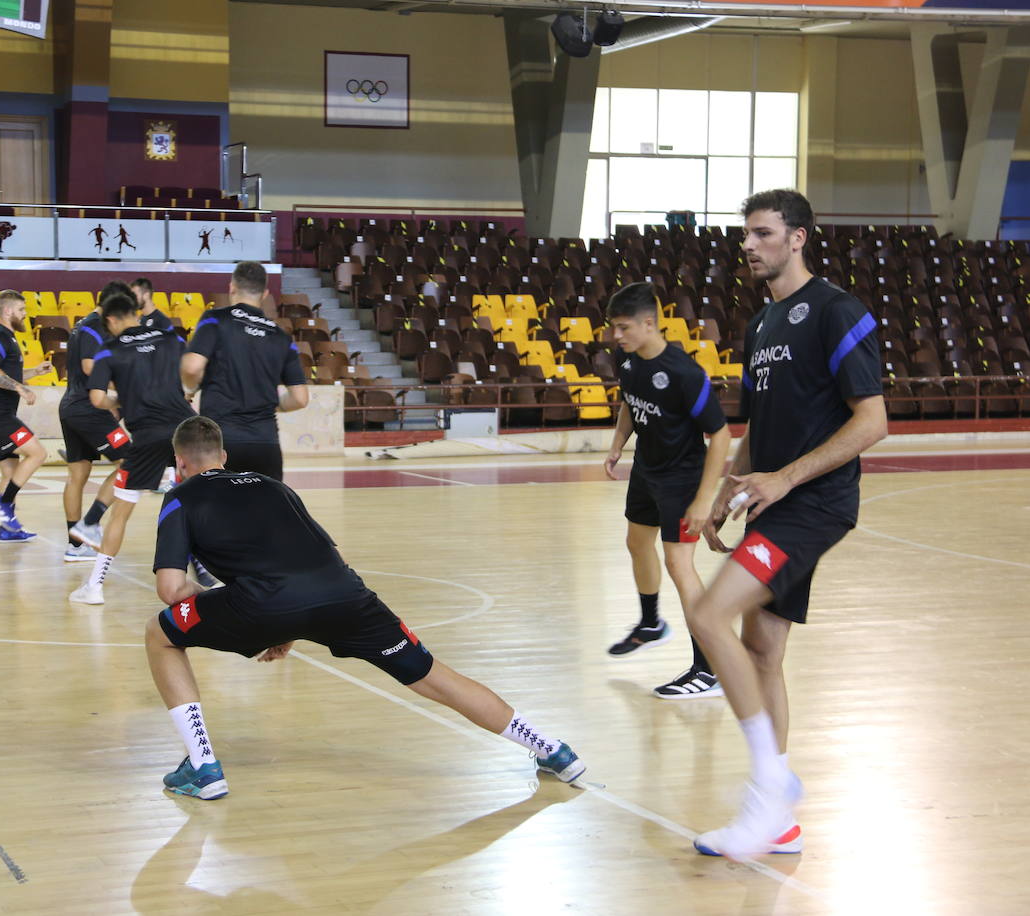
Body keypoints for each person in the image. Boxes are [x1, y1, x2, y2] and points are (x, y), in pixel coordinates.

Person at [143, 416, 587, 800]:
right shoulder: (275, 487)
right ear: (224, 454)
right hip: (346, 595)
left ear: (180, 463)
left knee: (160, 634)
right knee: (435, 677)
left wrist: (216, 602)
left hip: (264, 603)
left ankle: (202, 767)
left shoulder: (181, 496)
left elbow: (169, 588)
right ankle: (552, 749)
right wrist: (289, 624)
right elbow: (330, 559)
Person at [689, 190, 886, 860]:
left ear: (798, 238)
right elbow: (757, 429)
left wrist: (784, 480)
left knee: (709, 616)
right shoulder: (761, 325)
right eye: (745, 235)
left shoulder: (836, 311)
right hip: (771, 502)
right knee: (763, 651)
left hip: (813, 505)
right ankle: (779, 823)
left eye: (762, 233)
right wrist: (728, 489)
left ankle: (770, 786)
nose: (749, 245)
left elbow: (873, 421)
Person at [603, 282, 732, 699]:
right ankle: (650, 623)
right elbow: (629, 401)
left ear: (649, 323)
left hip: (682, 479)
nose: (616, 336)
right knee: (637, 541)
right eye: (613, 328)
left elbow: (721, 435)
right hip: (647, 469)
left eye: (623, 328)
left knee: (680, 566)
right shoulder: (627, 361)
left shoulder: (684, 373)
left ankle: (708, 669)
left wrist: (703, 500)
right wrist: (618, 443)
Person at [69, 291, 195, 604]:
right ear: (136, 314)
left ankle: (94, 583)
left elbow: (98, 399)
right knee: (200, 505)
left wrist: (123, 399)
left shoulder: (108, 350)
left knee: (121, 513)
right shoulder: (171, 338)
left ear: (110, 320)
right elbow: (192, 373)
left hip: (149, 436)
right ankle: (211, 574)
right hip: (188, 430)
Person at [180, 260, 309, 481]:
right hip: (265, 443)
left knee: (215, 513)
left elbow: (192, 367)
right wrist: (268, 402)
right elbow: (300, 399)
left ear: (231, 287)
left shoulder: (215, 319)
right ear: (265, 293)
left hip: (220, 442)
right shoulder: (282, 337)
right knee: (263, 514)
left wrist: (189, 389)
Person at [59, 288, 132, 562]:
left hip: (72, 407)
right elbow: (91, 368)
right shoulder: (92, 328)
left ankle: (74, 545)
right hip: (88, 409)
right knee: (131, 461)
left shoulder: (82, 326)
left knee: (77, 475)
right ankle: (90, 524)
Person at [0, 289, 52, 542]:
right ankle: (4, 503)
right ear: (7, 311)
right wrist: (18, 387)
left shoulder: (10, 339)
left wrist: (33, 373)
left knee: (10, 471)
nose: (25, 315)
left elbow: (8, 375)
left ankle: (6, 529)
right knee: (38, 453)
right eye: (21, 310)